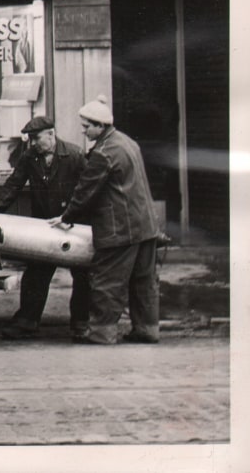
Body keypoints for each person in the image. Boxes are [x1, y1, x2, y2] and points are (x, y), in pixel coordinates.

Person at [50, 96, 160, 345]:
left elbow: (86, 190)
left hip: (119, 229)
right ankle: (147, 329)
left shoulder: (104, 153)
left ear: (100, 126)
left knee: (107, 281)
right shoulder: (128, 143)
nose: (83, 130)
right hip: (145, 225)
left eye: (87, 126)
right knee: (143, 283)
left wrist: (67, 217)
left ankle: (101, 333)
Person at [0, 116, 88, 339]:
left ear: (51, 134)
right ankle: (27, 320)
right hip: (45, 225)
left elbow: (87, 190)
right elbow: (13, 185)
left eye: (36, 138)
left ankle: (81, 323)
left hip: (72, 224)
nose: (33, 143)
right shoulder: (30, 157)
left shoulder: (75, 155)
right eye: (30, 139)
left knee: (84, 276)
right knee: (36, 274)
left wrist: (72, 216)